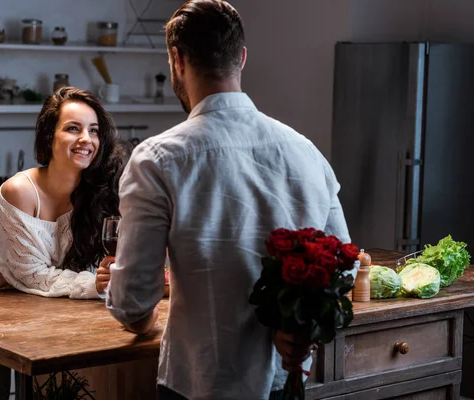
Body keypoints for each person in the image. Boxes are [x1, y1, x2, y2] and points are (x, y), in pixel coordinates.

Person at [102, 1, 352, 399]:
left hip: (200, 381)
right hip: (284, 382)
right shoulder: (305, 151)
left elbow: (133, 303)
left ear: (177, 59)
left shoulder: (156, 159)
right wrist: (294, 324)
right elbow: (344, 270)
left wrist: (129, 307)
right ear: (242, 57)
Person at [0, 87, 128, 400]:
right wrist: (11, 276)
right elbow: (33, 274)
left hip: (49, 297)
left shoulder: (103, 187)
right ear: (49, 136)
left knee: (46, 391)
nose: (86, 139)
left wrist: (12, 277)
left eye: (93, 130)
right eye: (73, 128)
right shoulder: (20, 191)